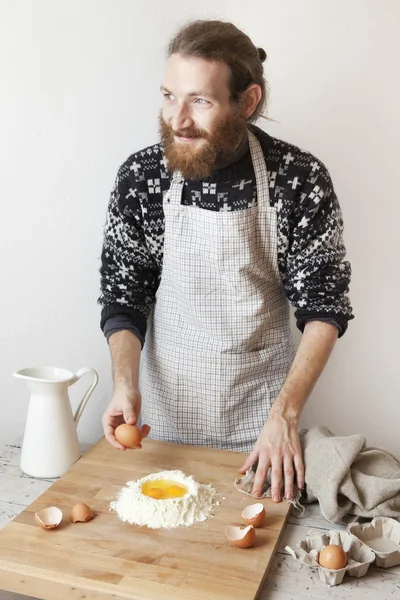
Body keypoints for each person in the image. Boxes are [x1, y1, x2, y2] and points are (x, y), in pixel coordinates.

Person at [99, 19, 353, 502]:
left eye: (201, 101)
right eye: (170, 95)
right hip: (164, 426)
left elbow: (325, 309)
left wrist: (285, 417)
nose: (178, 119)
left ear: (249, 101)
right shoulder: (142, 176)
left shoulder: (298, 179)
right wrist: (124, 384)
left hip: (262, 434)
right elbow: (123, 296)